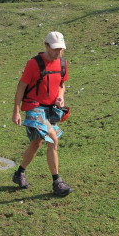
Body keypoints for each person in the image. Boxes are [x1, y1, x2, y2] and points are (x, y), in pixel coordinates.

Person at [11, 31, 72, 197]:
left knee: (37, 143)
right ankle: (57, 182)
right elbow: (21, 86)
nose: (58, 53)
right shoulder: (33, 64)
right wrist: (16, 110)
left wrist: (61, 97)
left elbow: (62, 84)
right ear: (46, 46)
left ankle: (19, 173)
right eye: (55, 49)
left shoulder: (62, 64)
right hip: (34, 108)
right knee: (52, 139)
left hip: (50, 110)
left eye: (61, 49)